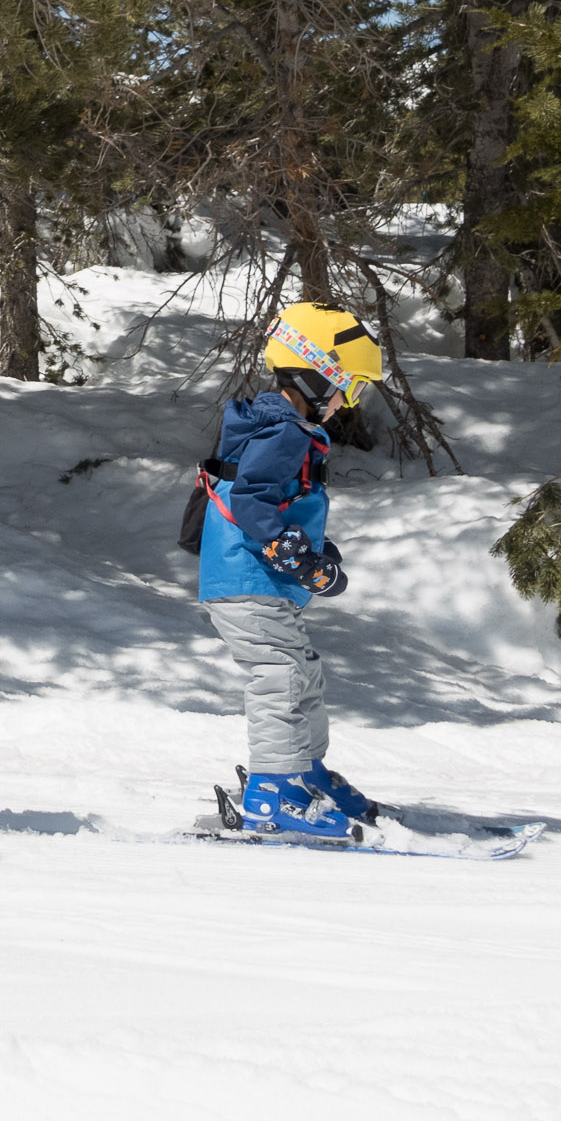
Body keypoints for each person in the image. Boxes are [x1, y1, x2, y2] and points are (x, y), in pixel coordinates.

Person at [196, 303, 385, 839]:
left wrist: (314, 552)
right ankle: (270, 792)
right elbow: (253, 502)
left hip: (259, 581)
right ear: (316, 374)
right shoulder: (284, 433)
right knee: (278, 675)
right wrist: (293, 553)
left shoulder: (285, 428)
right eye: (348, 386)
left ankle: (304, 771)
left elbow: (276, 501)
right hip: (245, 580)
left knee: (304, 672)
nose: (347, 400)